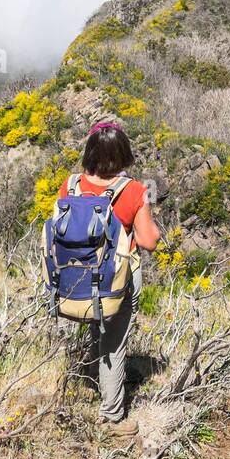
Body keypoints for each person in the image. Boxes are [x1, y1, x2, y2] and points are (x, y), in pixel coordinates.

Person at [57, 120, 160, 439]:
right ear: (123, 155)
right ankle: (113, 417)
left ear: (89, 153)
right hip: (115, 279)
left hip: (77, 277)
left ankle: (94, 377)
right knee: (114, 344)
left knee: (96, 328)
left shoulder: (70, 185)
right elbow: (148, 241)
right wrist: (147, 213)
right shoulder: (132, 191)